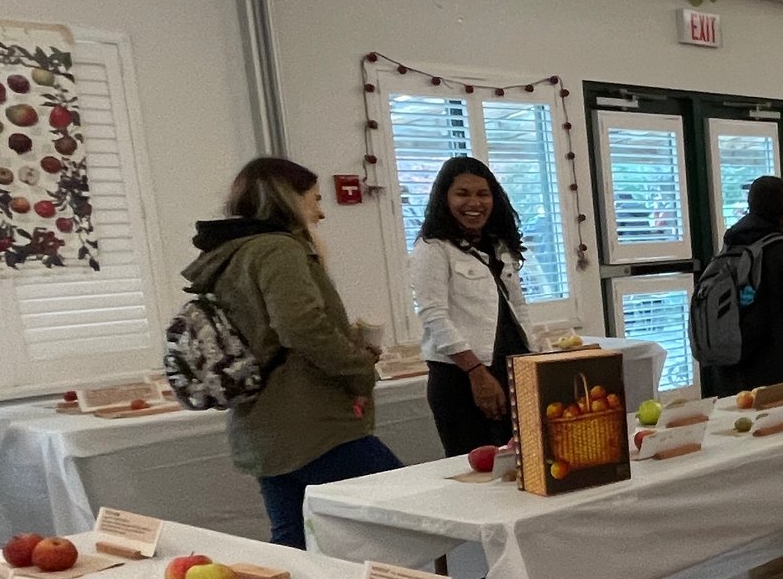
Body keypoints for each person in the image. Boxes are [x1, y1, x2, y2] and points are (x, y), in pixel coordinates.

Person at [183, 157, 398, 547]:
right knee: (404, 514)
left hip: (264, 422)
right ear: (289, 199)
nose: (320, 213)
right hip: (311, 421)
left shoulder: (233, 252)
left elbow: (269, 327)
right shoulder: (278, 250)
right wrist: (359, 365)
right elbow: (300, 327)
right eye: (315, 199)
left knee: (294, 538)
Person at [408, 156, 530, 459]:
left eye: (482, 194)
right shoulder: (433, 247)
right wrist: (477, 373)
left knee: (524, 462)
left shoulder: (497, 245)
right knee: (479, 467)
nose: (473, 202)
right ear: (444, 198)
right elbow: (434, 315)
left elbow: (517, 306)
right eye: (462, 193)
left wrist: (530, 360)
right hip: (461, 379)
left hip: (511, 369)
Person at [712, 175, 783, 391]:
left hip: (729, 357)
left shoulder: (732, 244)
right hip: (774, 360)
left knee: (739, 418)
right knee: (778, 418)